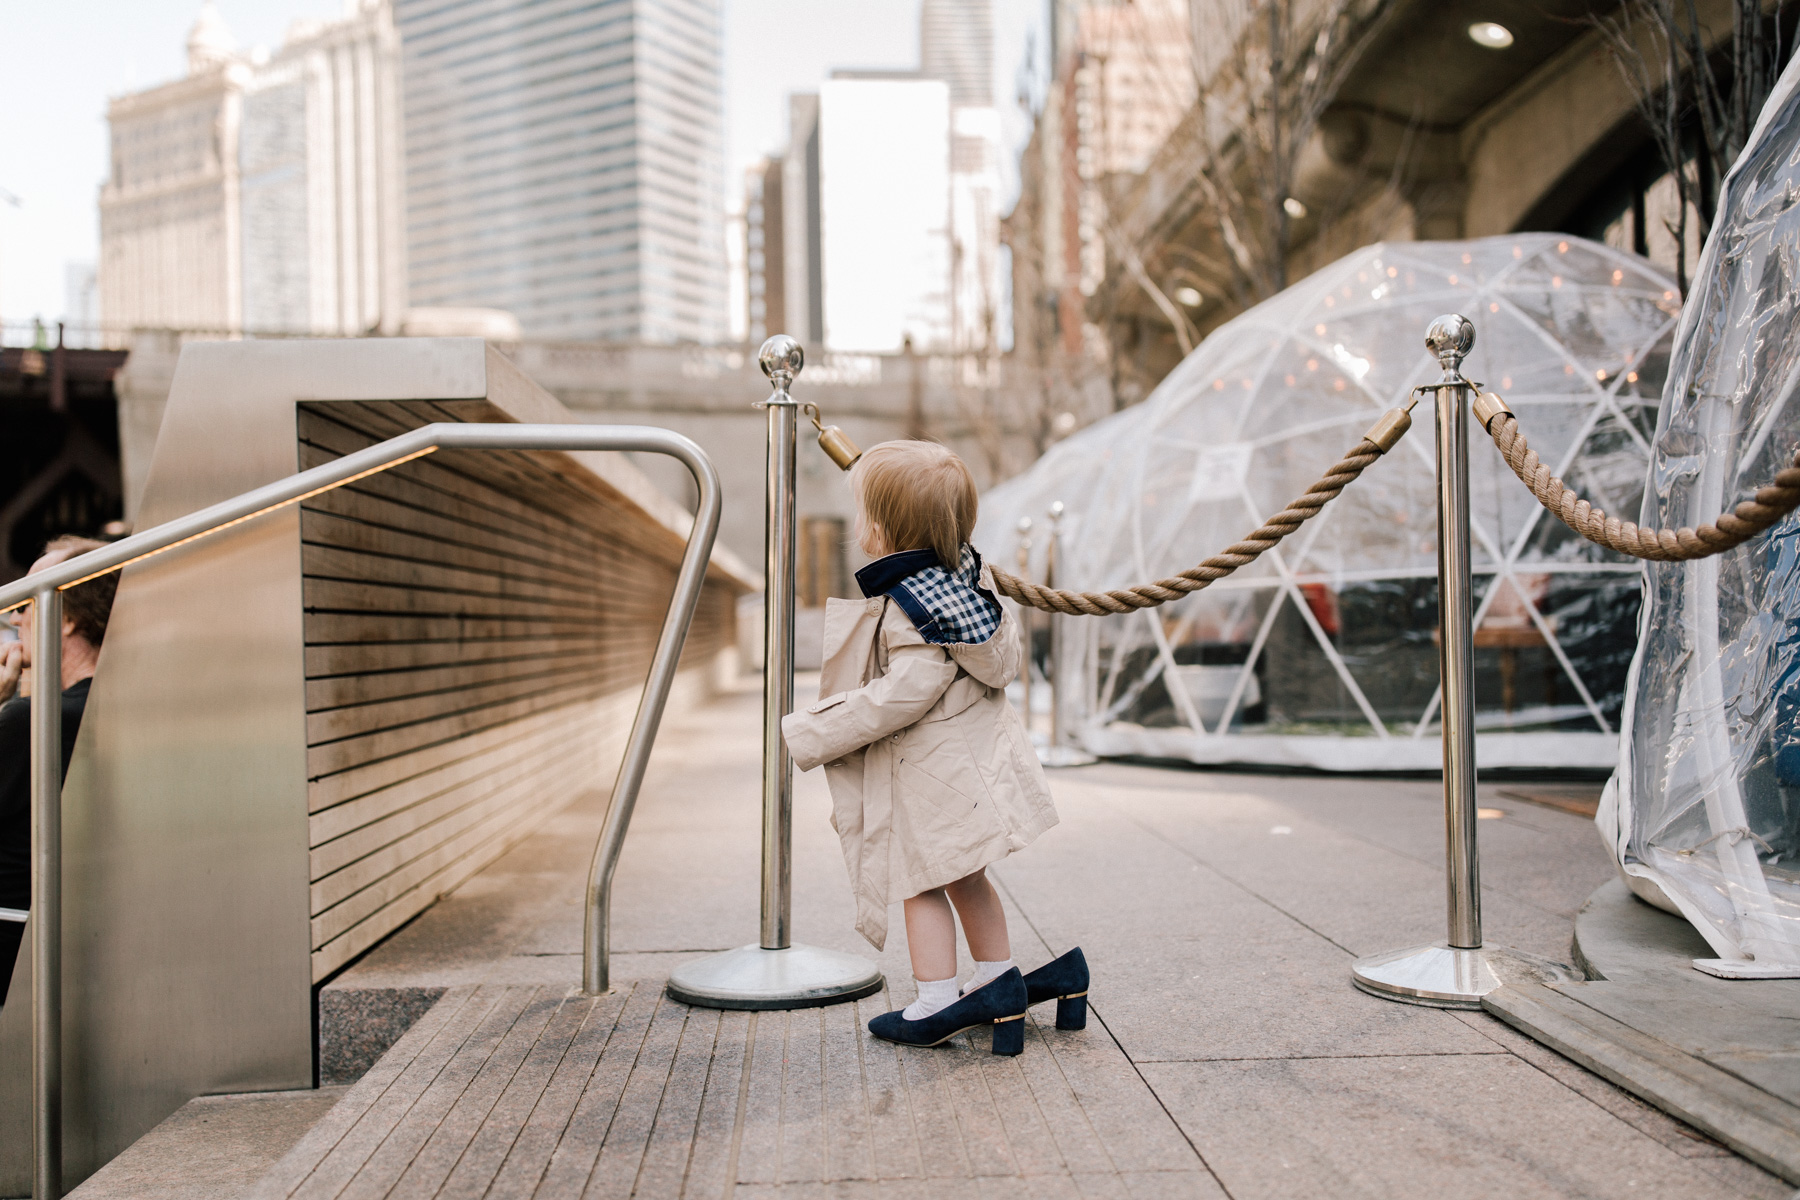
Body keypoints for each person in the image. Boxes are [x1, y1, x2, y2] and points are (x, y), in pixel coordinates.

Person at [781, 441, 1090, 1056]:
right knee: (967, 876)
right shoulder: (965, 583)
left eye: (868, 513)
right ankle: (997, 979)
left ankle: (935, 1001)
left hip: (929, 774)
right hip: (963, 771)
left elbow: (907, 692)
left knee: (918, 881)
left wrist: (814, 728)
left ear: (888, 530)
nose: (862, 524)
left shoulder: (910, 603)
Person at [0, 536, 117, 1007]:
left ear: (66, 619)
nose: (13, 616)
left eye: (26, 603)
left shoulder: (33, 720)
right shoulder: (103, 708)